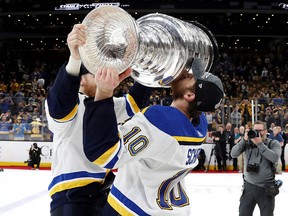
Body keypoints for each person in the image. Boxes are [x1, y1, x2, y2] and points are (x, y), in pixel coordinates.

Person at [82, 59, 224, 215]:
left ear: (189, 94)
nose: (185, 72)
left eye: (189, 77)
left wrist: (103, 92)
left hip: (130, 209)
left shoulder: (161, 120)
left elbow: (103, 153)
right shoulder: (199, 124)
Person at [45, 24, 151, 216]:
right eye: (96, 73)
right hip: (71, 195)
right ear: (81, 80)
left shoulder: (105, 104)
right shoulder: (70, 103)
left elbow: (134, 103)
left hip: (103, 191)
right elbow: (60, 103)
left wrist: (148, 68)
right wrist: (75, 58)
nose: (104, 75)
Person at [230, 120, 281, 216]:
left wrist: (260, 144)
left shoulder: (273, 143)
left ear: (265, 131)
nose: (258, 133)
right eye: (255, 130)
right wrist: (244, 140)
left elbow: (274, 158)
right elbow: (233, 154)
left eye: (260, 130)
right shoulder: (247, 143)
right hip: (249, 187)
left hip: (266, 189)